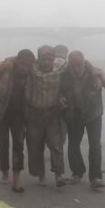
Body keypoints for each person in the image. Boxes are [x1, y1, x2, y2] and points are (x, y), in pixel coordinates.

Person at [59, 50, 105, 189]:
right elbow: (59, 89)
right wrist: (60, 96)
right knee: (73, 144)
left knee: (95, 144)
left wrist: (102, 77)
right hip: (74, 113)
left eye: (79, 65)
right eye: (73, 65)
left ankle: (95, 177)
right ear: (69, 64)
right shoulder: (64, 74)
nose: (76, 68)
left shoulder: (95, 72)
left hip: (93, 113)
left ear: (84, 62)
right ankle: (77, 172)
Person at [0, 49, 35, 193]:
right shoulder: (5, 67)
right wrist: (1, 67)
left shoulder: (32, 73)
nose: (25, 68)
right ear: (17, 62)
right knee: (2, 143)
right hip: (0, 112)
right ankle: (4, 171)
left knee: (18, 145)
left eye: (28, 65)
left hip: (19, 115)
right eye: (23, 64)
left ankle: (16, 181)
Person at [24, 45, 69, 187]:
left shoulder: (61, 65)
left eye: (50, 57)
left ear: (54, 58)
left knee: (56, 145)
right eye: (44, 58)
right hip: (34, 112)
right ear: (39, 58)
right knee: (35, 146)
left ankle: (58, 176)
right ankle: (41, 175)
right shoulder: (32, 67)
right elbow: (16, 60)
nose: (47, 61)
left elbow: (80, 62)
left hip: (53, 112)